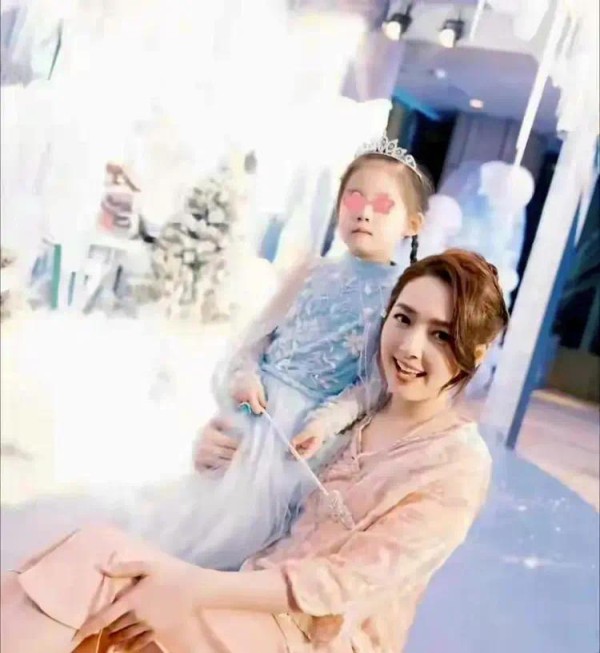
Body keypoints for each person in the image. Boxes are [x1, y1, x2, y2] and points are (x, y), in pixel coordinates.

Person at [1, 249, 510, 653]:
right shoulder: (349, 414)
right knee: (90, 566)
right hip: (244, 598)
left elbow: (342, 583)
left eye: (441, 335)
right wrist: (221, 453)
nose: (410, 347)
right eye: (404, 318)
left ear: (477, 350)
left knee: (102, 571)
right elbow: (268, 493)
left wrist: (191, 587)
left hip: (312, 639)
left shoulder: (455, 465)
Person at [114, 135, 432, 571]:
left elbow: (372, 385)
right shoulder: (311, 272)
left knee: (246, 538)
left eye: (382, 205)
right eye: (354, 198)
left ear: (412, 223)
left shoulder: (398, 297)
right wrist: (245, 377)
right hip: (256, 409)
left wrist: (326, 423)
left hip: (302, 432)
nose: (363, 212)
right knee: (197, 517)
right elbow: (255, 341)